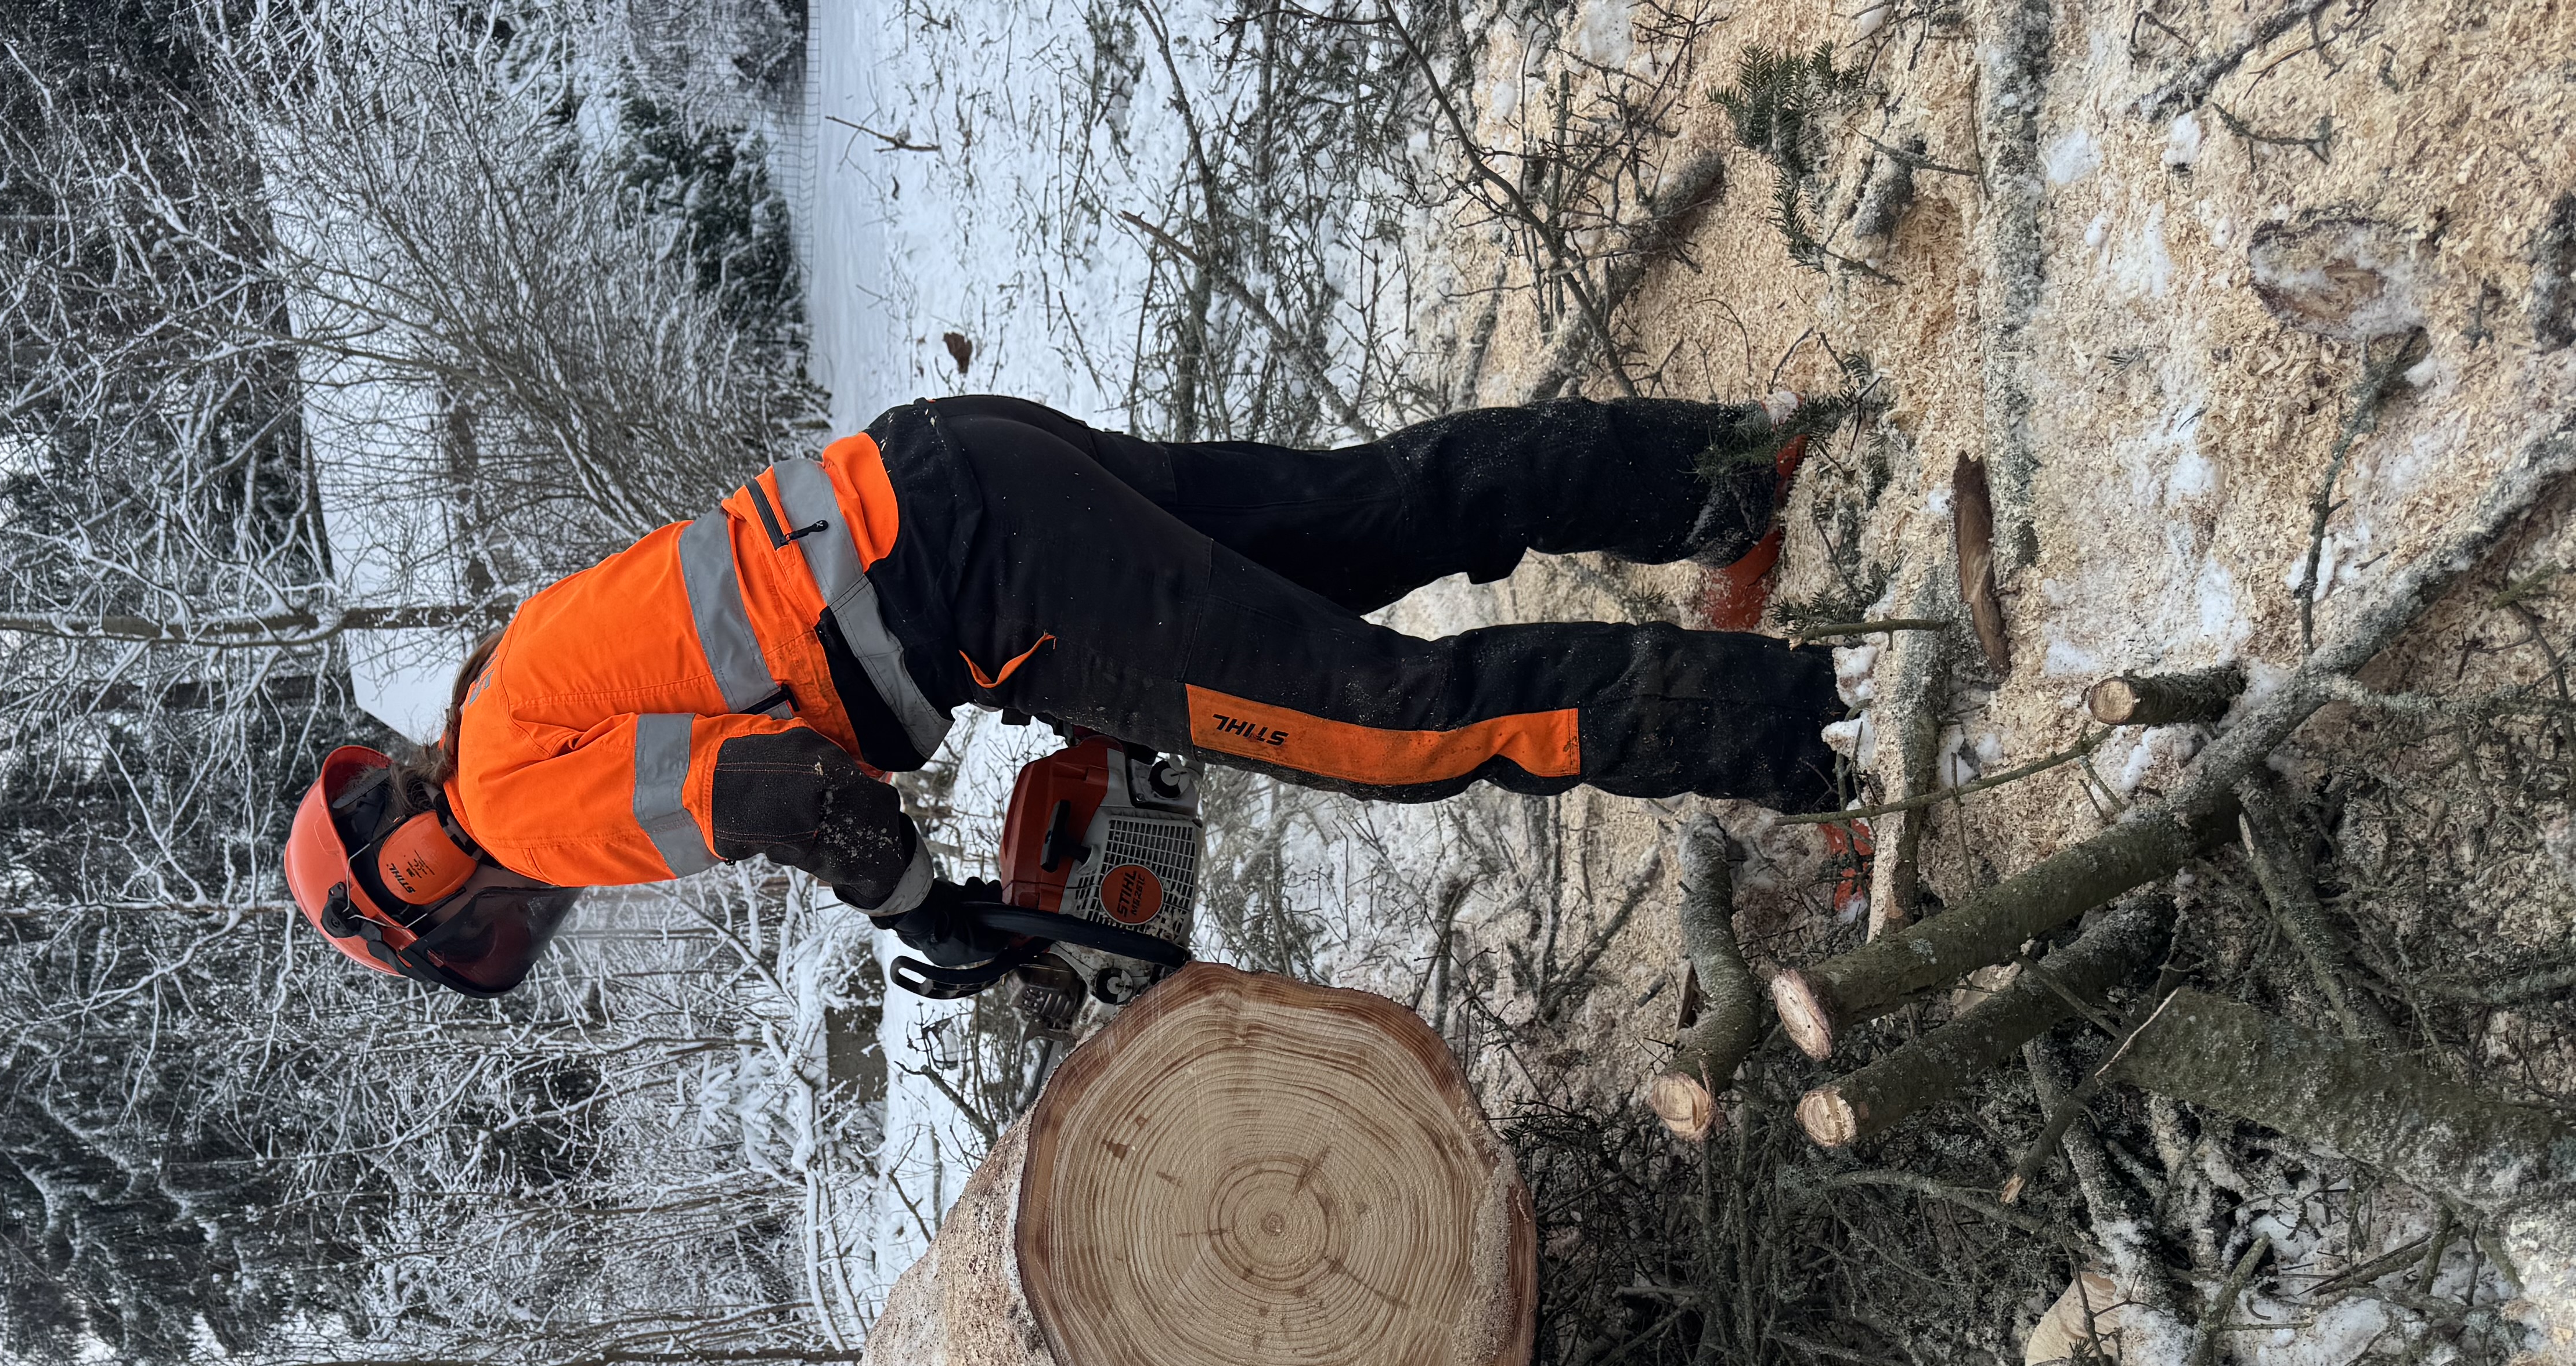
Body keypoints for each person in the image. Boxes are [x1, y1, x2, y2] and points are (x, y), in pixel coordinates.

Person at [282, 395, 1843, 995]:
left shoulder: (511, 806)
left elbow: (786, 791)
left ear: (414, 872)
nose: (502, 921)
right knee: (1365, 515)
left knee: (1394, 724)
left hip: (991, 583)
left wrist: (924, 911)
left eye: (459, 929)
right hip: (954, 465)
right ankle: (1721, 474)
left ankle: (1811, 731)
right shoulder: (507, 683)